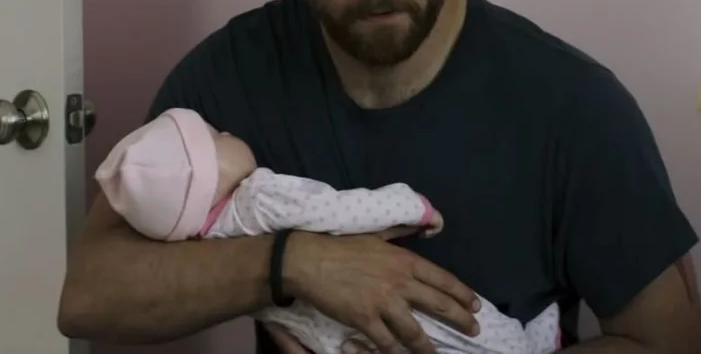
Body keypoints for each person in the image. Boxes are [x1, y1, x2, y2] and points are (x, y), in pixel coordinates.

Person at [57, 0, 701, 352]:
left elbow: (669, 342)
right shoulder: (230, 77)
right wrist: (295, 264)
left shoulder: (572, 106)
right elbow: (88, 296)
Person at [92, 107, 561, 354]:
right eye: (216, 138)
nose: (227, 133)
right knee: (469, 326)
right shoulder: (258, 198)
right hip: (389, 304)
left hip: (332, 334)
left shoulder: (205, 247)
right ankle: (527, 342)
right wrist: (410, 206)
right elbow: (337, 210)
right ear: (209, 180)